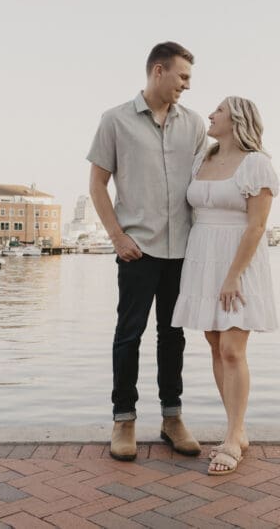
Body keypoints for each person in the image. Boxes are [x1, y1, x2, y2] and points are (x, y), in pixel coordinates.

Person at [87, 41, 207, 461]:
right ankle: (124, 419)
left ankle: (172, 418)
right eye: (183, 76)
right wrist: (117, 237)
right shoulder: (115, 120)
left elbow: (205, 183)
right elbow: (97, 185)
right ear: (159, 70)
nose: (187, 85)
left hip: (181, 251)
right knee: (129, 334)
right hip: (137, 250)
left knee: (173, 337)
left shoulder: (194, 125)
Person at [171, 96, 279, 476]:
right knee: (215, 345)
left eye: (218, 110)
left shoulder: (256, 164)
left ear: (237, 119)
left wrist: (233, 275)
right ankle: (238, 429)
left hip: (238, 262)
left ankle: (233, 437)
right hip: (202, 258)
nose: (210, 115)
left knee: (233, 349)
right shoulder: (202, 160)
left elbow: (257, 225)